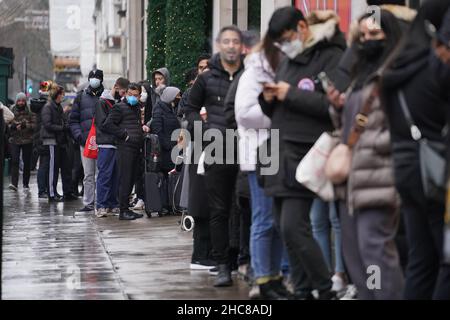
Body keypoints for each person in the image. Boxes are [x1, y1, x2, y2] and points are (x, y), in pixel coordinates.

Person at [259, 7, 346, 299]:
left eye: (286, 38)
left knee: (294, 226)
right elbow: (277, 106)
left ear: (302, 26)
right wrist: (268, 96)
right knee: (284, 228)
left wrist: (289, 94)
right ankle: (303, 287)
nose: (285, 46)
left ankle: (325, 287)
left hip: (304, 152)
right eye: (280, 43)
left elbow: (332, 106)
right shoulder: (288, 60)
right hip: (280, 151)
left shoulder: (330, 55)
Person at [328, 10, 406, 300]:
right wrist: (337, 107)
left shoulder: (395, 74)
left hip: (379, 177)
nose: (368, 40)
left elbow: (403, 128)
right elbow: (348, 126)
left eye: (375, 33)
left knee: (374, 254)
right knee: (355, 255)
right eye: (363, 35)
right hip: (351, 181)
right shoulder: (359, 75)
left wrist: (369, 143)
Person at [382, 0, 450, 300]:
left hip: (407, 172)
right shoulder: (434, 68)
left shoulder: (396, 68)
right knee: (445, 261)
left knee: (421, 262)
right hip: (438, 175)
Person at [235, 27, 294, 299]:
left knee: (279, 219)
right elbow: (245, 113)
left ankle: (276, 275)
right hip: (260, 154)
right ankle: (262, 277)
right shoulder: (252, 75)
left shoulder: (278, 72)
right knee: (263, 217)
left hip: (279, 152)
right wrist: (277, 114)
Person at [185, 26, 244, 287]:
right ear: (220, 45)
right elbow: (190, 109)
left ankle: (241, 259)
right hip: (216, 149)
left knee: (243, 207)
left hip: (246, 149)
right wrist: (205, 131)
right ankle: (221, 265)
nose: (231, 45)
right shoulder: (206, 78)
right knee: (219, 209)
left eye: (236, 41)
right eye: (226, 41)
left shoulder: (249, 74)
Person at [104, 83, 145, 221]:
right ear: (126, 93)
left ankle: (126, 208)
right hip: (125, 148)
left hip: (135, 148)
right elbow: (108, 125)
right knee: (125, 179)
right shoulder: (119, 107)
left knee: (131, 179)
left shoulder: (136, 108)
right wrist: (124, 135)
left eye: (136, 95)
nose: (133, 97)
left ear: (139, 96)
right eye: (130, 94)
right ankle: (123, 210)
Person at [70, 69, 105, 213]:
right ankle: (89, 202)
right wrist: (80, 136)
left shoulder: (106, 96)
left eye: (97, 77)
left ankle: (101, 202)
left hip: (103, 142)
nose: (94, 80)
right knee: (88, 174)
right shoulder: (80, 97)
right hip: (85, 143)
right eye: (92, 77)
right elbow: (73, 120)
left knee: (102, 173)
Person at [95, 77, 130, 218]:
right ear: (116, 87)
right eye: (123, 92)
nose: (124, 95)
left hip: (116, 143)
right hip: (106, 143)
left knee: (116, 176)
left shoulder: (117, 103)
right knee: (105, 175)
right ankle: (102, 205)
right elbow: (103, 124)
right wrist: (120, 131)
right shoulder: (103, 102)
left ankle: (112, 203)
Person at [41, 84, 76, 202]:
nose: (63, 96)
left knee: (61, 167)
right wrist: (62, 127)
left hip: (59, 141)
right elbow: (47, 125)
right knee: (52, 169)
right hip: (51, 140)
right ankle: (51, 193)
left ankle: (61, 192)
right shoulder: (48, 107)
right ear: (57, 94)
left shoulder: (58, 107)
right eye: (62, 94)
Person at [8, 93, 36, 191]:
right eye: (19, 101)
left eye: (23, 101)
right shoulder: (11, 109)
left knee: (26, 162)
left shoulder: (30, 110)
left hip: (27, 140)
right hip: (15, 140)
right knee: (15, 161)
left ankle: (25, 183)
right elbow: (7, 122)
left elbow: (34, 124)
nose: (21, 102)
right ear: (16, 101)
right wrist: (13, 127)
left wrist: (25, 126)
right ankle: (14, 183)